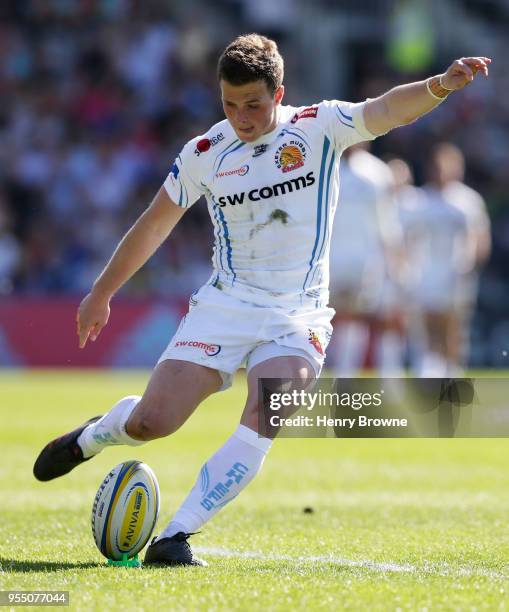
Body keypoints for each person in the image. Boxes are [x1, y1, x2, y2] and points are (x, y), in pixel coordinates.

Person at [33, 34, 491, 566]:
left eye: (252, 104)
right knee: (152, 424)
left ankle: (176, 535)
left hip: (298, 314)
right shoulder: (205, 152)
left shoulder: (319, 126)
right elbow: (155, 223)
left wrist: (440, 85)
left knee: (268, 408)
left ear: (279, 94)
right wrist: (102, 291)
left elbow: (386, 110)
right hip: (225, 306)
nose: (240, 116)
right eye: (229, 103)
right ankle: (97, 433)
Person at [401, 144, 491, 375]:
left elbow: (480, 239)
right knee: (427, 325)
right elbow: (406, 239)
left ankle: (453, 373)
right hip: (426, 274)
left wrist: (469, 268)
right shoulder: (419, 201)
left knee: (453, 327)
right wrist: (407, 270)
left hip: (456, 274)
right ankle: (431, 372)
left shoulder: (468, 201)